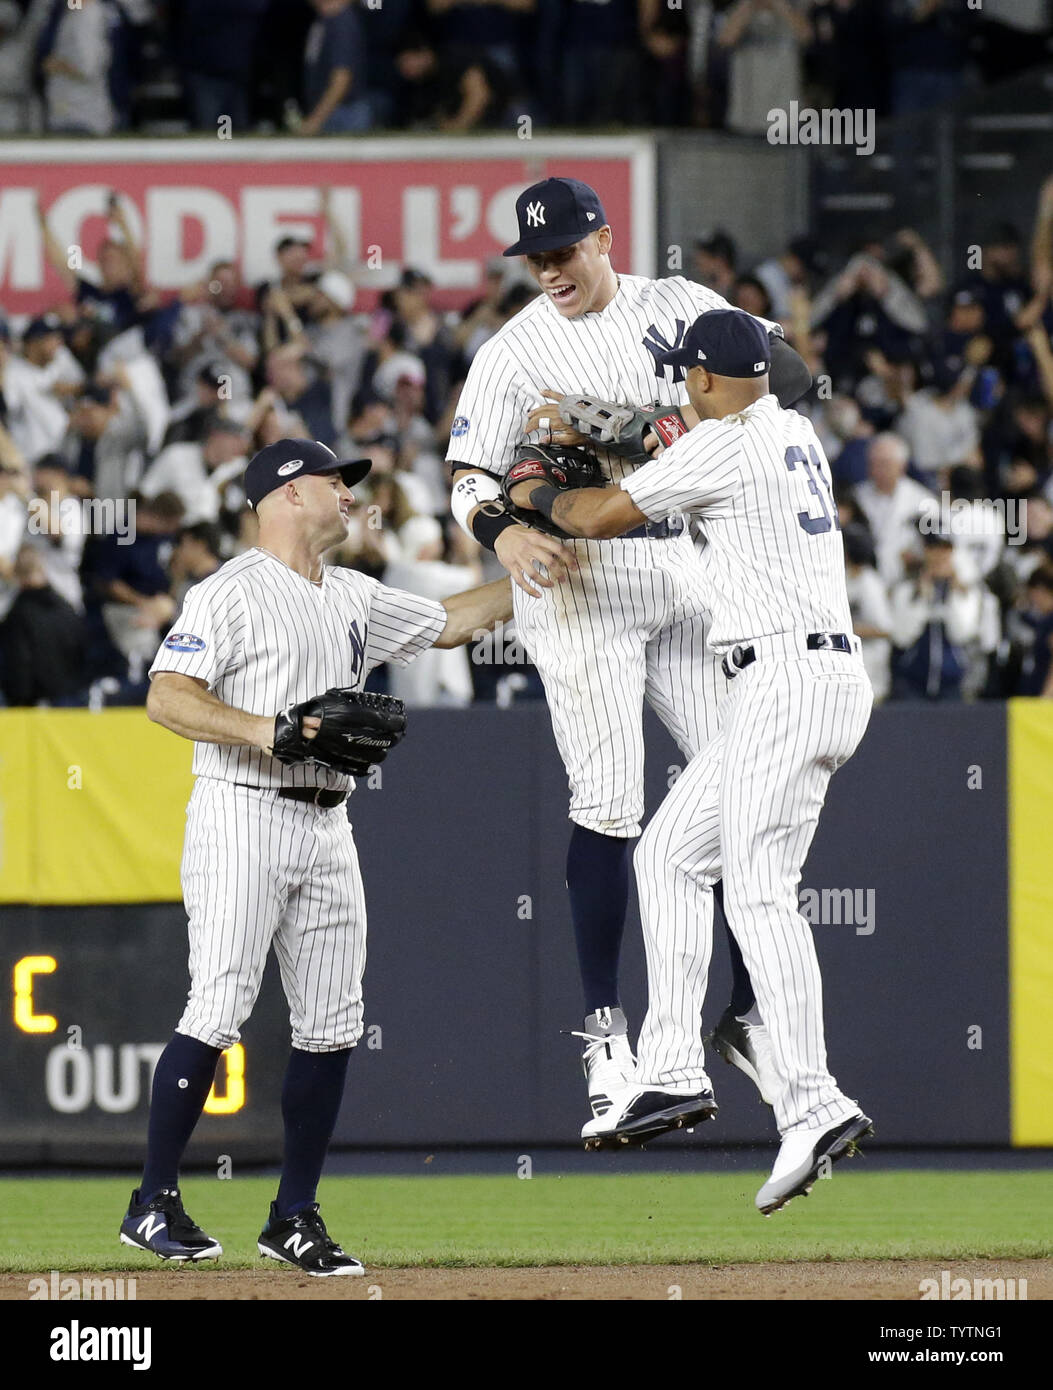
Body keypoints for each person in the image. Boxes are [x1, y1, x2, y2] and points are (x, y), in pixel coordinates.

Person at [447, 176, 813, 1131]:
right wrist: (500, 532)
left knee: (738, 785)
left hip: (683, 566)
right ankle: (607, 1037)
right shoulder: (513, 351)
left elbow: (790, 378)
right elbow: (466, 473)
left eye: (563, 250)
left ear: (604, 239)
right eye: (534, 258)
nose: (548, 269)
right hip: (577, 579)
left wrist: (658, 428)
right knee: (610, 802)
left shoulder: (682, 305)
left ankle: (744, 1014)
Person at [118, 437, 513, 1274]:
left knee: (333, 1022)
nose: (347, 493)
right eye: (335, 481)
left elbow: (449, 623)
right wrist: (269, 730)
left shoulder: (350, 594)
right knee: (219, 1002)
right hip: (242, 811)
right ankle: (151, 1200)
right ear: (288, 493)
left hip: (329, 820)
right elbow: (166, 696)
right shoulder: (229, 591)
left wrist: (540, 572)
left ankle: (293, 1215)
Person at [507, 309, 872, 1211]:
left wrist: (533, 495)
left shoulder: (724, 447)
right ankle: (673, 1069)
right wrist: (630, 429)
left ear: (705, 381)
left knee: (756, 893)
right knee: (670, 857)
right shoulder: (792, 428)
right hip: (810, 677)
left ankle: (814, 1099)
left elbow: (595, 514)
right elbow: (730, 404)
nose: (677, 384)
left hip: (785, 679)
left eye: (683, 373)